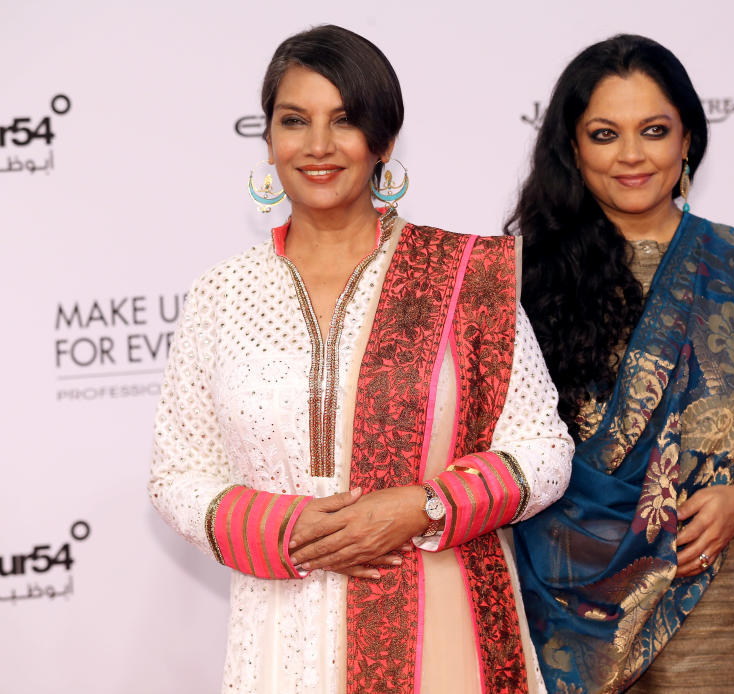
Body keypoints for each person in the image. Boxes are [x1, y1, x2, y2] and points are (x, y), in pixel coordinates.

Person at [149, 24, 573, 694]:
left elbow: (543, 450)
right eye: (295, 121)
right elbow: (178, 474)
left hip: (440, 625)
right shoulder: (220, 294)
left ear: (383, 141)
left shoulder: (464, 279)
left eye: (344, 121)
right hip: (278, 639)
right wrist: (283, 526)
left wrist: (425, 506)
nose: (318, 146)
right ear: (268, 139)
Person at [507, 35, 734, 694]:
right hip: (561, 610)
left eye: (655, 130)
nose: (632, 155)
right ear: (573, 148)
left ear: (687, 139)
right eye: (605, 133)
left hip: (723, 598)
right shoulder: (521, 284)